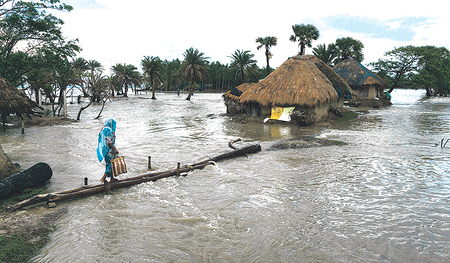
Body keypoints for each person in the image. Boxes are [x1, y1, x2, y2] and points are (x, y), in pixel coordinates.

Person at [97, 119, 119, 183]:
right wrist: (114, 149)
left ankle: (112, 178)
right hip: (110, 150)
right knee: (111, 164)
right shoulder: (109, 130)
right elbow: (109, 142)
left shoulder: (103, 129)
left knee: (108, 163)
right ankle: (103, 178)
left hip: (104, 149)